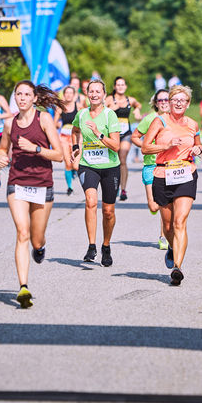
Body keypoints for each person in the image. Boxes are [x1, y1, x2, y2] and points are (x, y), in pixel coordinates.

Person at [0, 81, 65, 308]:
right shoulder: (9, 123)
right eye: (19, 94)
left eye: (27, 94)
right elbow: (2, 149)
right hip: (17, 184)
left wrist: (35, 148)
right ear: (14, 97)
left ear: (34, 98)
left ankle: (40, 247)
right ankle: (23, 287)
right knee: (22, 233)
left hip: (43, 184)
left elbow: (59, 155)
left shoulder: (43, 119)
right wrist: (0, 159)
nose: (22, 98)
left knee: (35, 237)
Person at [142, 85, 202, 285]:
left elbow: (199, 144)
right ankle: (171, 246)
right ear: (169, 102)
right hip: (163, 173)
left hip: (186, 173)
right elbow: (145, 147)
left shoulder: (193, 124)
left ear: (187, 104)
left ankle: (177, 267)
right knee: (168, 225)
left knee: (179, 221)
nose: (178, 103)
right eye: (175, 99)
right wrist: (165, 146)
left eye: (182, 100)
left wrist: (198, 149)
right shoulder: (159, 121)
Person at [71, 79, 122, 266]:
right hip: (88, 164)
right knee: (90, 201)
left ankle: (106, 246)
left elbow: (116, 146)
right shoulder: (82, 114)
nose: (94, 94)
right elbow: (75, 130)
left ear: (104, 95)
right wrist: (76, 146)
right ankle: (91, 246)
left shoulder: (110, 116)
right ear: (86, 94)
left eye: (97, 91)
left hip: (110, 166)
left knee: (108, 211)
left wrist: (99, 134)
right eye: (91, 91)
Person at [132, 89, 171, 251]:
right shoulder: (149, 119)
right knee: (154, 206)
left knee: (164, 204)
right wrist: (148, 147)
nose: (163, 102)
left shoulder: (175, 119)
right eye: (160, 100)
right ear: (155, 103)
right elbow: (135, 136)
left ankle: (164, 236)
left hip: (169, 166)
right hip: (150, 165)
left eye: (166, 99)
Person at [105, 76, 143, 201]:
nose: (121, 87)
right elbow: (101, 111)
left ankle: (123, 190)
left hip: (126, 133)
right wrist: (111, 109)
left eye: (123, 84)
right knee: (113, 160)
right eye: (118, 84)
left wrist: (137, 109)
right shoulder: (110, 99)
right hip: (112, 134)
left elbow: (138, 104)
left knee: (122, 159)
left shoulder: (129, 99)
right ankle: (113, 187)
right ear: (115, 87)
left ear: (125, 86)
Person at [53, 85, 81, 195]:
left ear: (74, 95)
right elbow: (54, 124)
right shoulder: (60, 108)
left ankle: (75, 171)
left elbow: (84, 120)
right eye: (67, 93)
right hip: (64, 137)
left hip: (77, 137)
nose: (68, 95)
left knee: (76, 165)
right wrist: (58, 124)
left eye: (71, 93)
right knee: (68, 164)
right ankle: (69, 187)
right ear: (64, 95)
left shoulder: (78, 106)